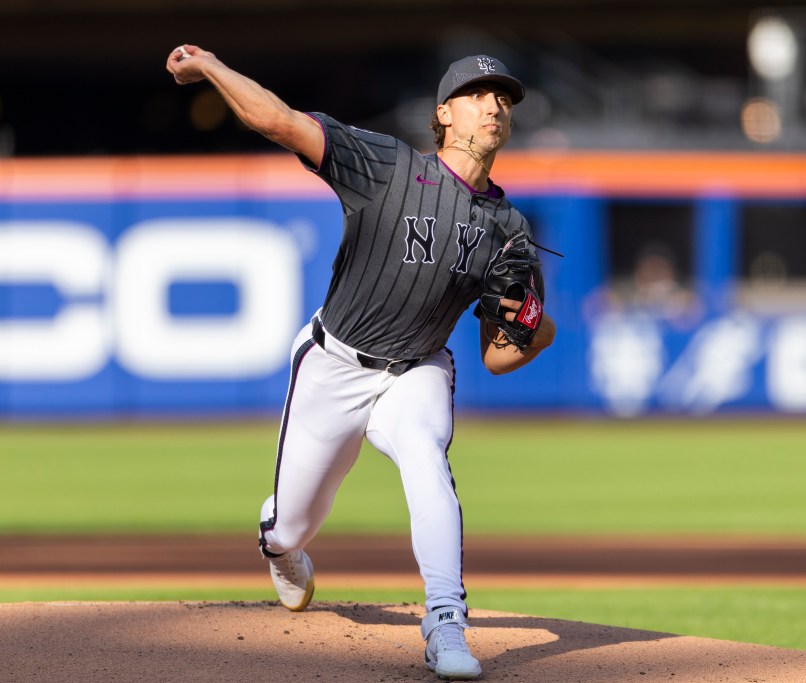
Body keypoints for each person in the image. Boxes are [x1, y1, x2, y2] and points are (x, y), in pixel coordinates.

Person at [166, 46, 556, 680]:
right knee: (291, 527)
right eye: (479, 95)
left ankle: (446, 621)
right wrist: (211, 66)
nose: (495, 106)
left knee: (428, 460)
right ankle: (277, 540)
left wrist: (536, 328)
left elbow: (497, 356)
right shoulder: (387, 166)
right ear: (443, 115)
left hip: (417, 371)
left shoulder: (506, 228)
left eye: (505, 98)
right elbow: (278, 120)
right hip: (334, 365)